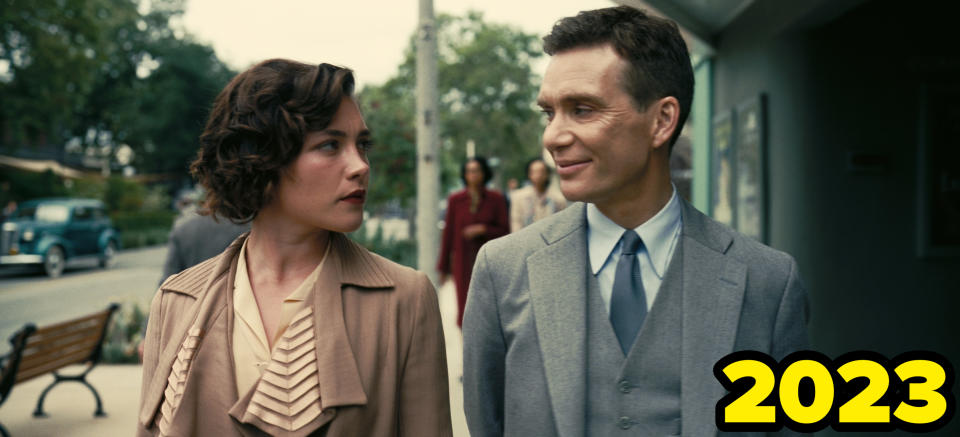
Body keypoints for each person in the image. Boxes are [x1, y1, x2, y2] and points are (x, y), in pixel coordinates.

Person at [462, 7, 809, 437]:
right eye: (549, 113)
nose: (553, 136)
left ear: (662, 120)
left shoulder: (769, 282)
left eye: (582, 109)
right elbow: (486, 423)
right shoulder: (503, 269)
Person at [137, 59, 452, 437]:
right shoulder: (176, 301)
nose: (361, 166)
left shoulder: (404, 299)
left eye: (362, 145)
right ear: (263, 159)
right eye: (330, 145)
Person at [437, 156, 509, 328]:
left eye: (476, 171)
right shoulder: (456, 200)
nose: (473, 175)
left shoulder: (496, 199)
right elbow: (448, 235)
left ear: (484, 173)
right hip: (463, 263)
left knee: (488, 308)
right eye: (469, 171)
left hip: (490, 263)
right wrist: (443, 267)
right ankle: (468, 348)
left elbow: (505, 231)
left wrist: (483, 229)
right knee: (464, 308)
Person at [509, 157, 566, 232]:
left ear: (547, 174)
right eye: (534, 172)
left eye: (541, 172)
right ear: (529, 174)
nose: (538, 175)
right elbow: (516, 222)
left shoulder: (558, 198)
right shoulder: (518, 196)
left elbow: (562, 224)